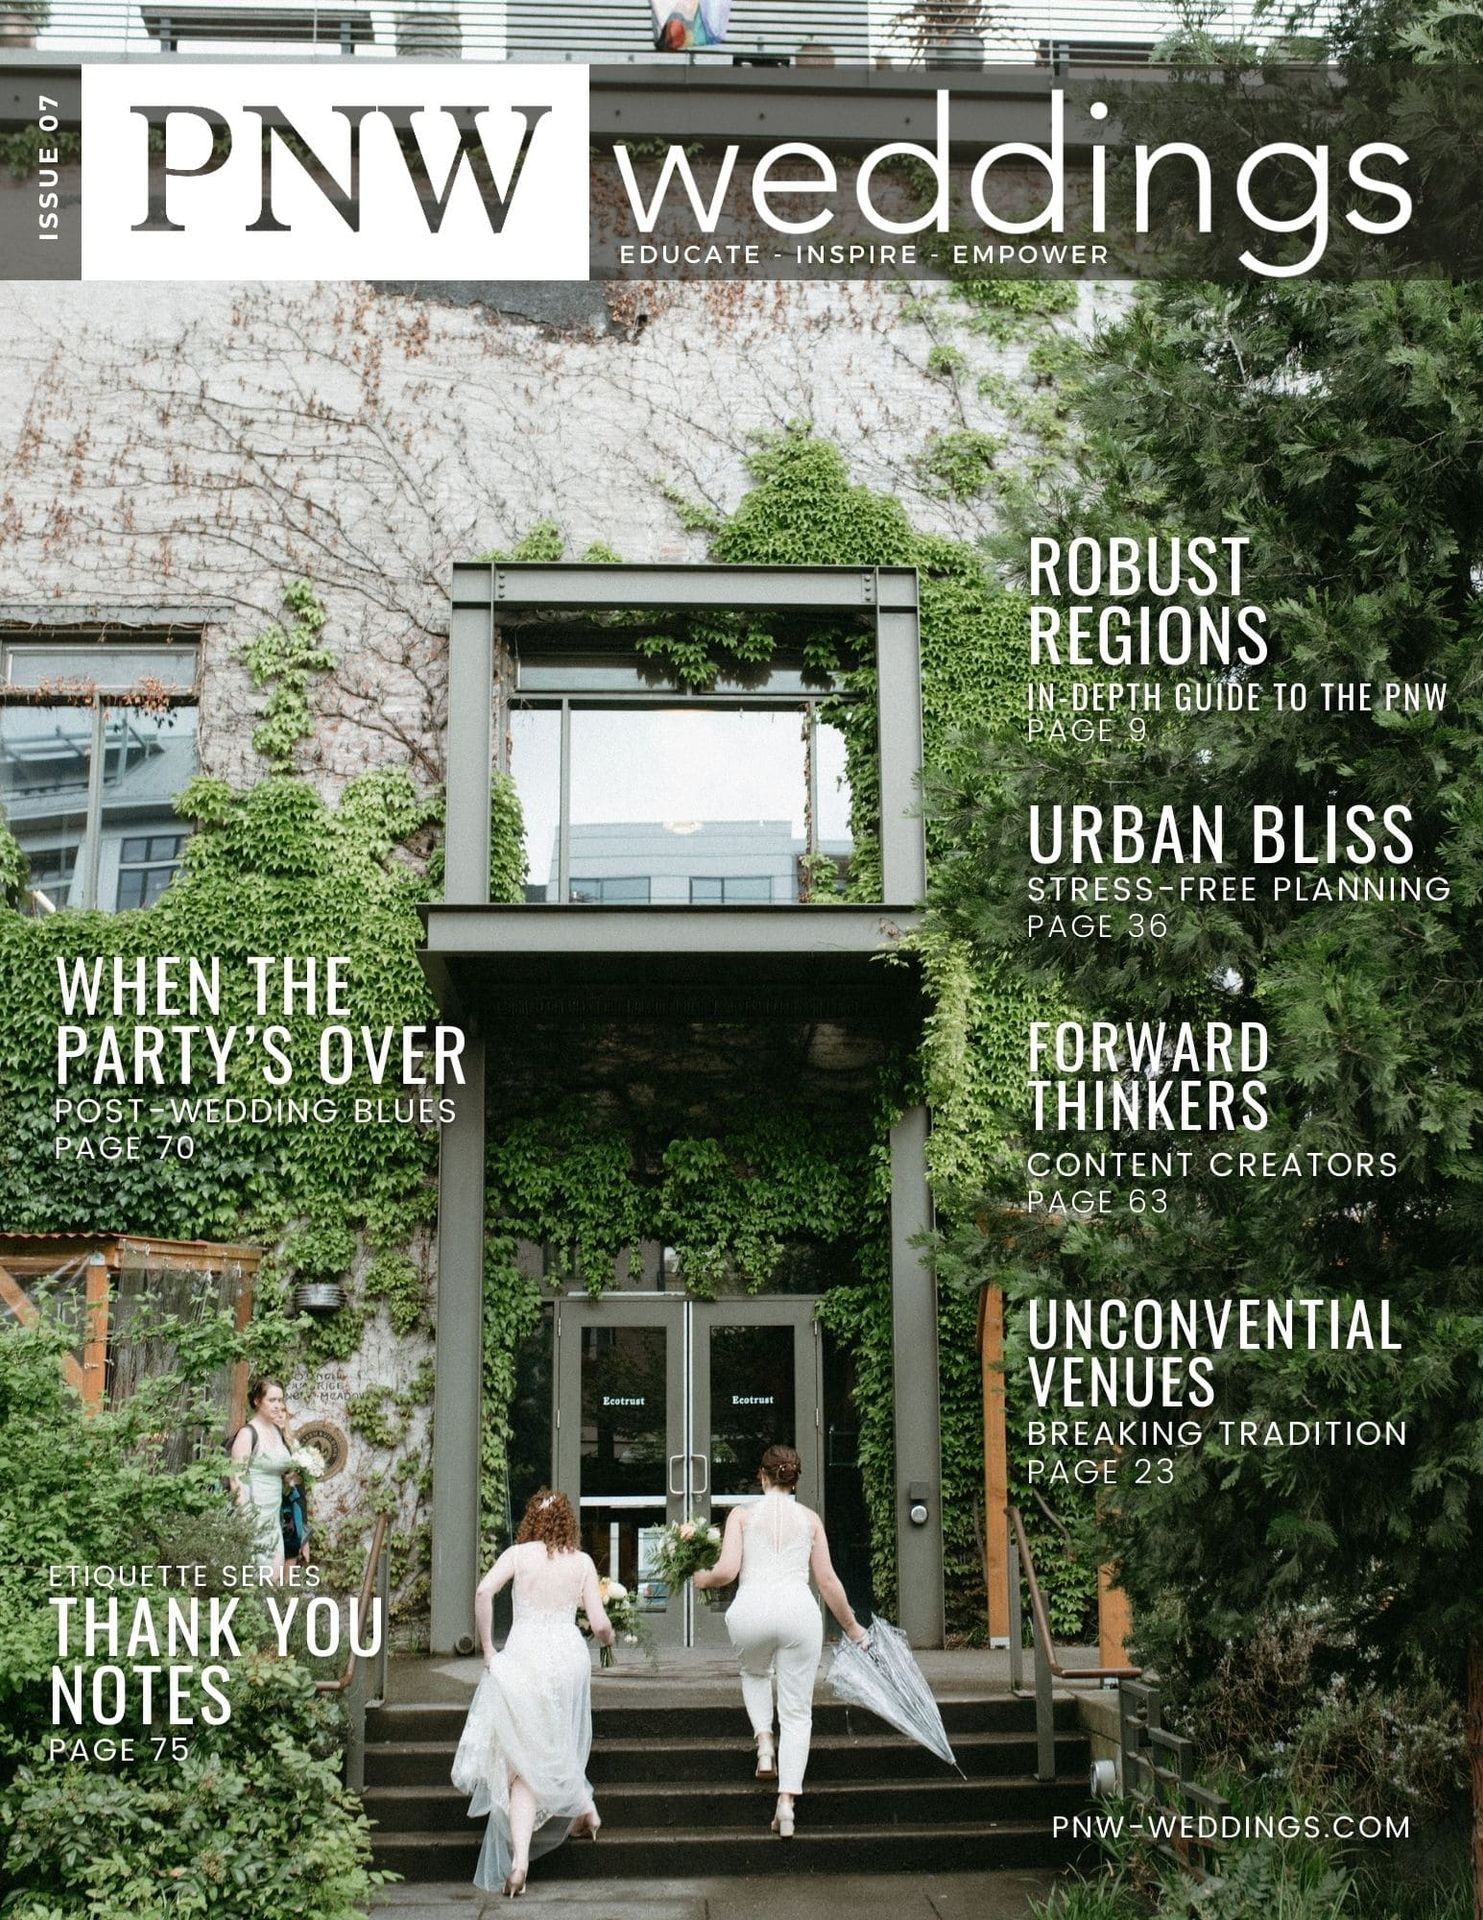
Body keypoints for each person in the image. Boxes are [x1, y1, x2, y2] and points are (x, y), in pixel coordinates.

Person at [693, 1442, 869, 1837]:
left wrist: (701, 1578)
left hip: (751, 1611)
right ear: (794, 1480)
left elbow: (726, 1571)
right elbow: (827, 1581)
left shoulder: (742, 1516)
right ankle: (786, 1803)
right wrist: (853, 1628)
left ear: (762, 1476)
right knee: (797, 1712)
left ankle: (764, 1744)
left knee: (754, 1673)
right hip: (798, 1614)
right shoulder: (809, 1520)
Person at [452, 1489, 614, 1897]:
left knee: (523, 1760)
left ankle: (521, 1862)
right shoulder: (581, 1563)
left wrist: (489, 1649)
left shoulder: (517, 1555)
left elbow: (483, 1592)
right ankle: (586, 1810)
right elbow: (598, 1624)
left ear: (532, 1521)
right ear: (567, 1522)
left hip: (525, 1657)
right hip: (567, 1658)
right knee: (553, 1739)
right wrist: (610, 1639)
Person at [227, 1376, 298, 1582]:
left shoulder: (277, 1431)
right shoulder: (248, 1434)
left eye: (280, 1400)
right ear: (258, 1401)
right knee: (256, 1579)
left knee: (275, 1578)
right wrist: (246, 1522)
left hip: (273, 1519)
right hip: (254, 1518)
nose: (278, 1406)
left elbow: (282, 1472)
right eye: (272, 1400)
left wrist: (296, 1475)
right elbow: (236, 1480)